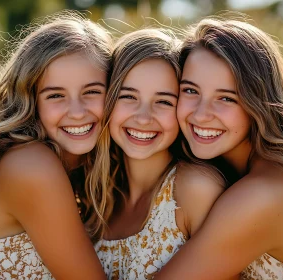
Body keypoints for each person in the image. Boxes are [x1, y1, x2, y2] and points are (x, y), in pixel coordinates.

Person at [154, 17, 283, 279]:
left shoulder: (264, 195)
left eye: (226, 98)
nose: (201, 115)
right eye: (191, 91)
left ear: (259, 102)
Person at [0, 12, 111, 279]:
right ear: (29, 100)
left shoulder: (56, 161)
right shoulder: (30, 165)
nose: (77, 111)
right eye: (55, 95)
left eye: (92, 91)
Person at [86, 28, 234, 280]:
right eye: (128, 96)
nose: (143, 118)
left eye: (164, 101)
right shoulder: (96, 194)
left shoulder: (194, 189)